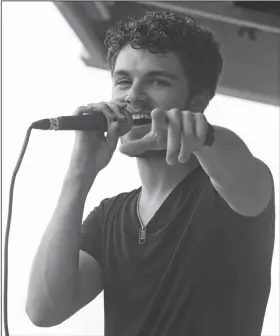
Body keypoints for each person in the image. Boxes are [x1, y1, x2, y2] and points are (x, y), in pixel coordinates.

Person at [25, 11, 275, 336]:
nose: (133, 96)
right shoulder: (108, 217)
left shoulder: (235, 188)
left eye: (157, 81)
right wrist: (80, 172)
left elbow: (233, 157)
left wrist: (203, 136)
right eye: (124, 80)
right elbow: (44, 310)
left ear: (197, 102)